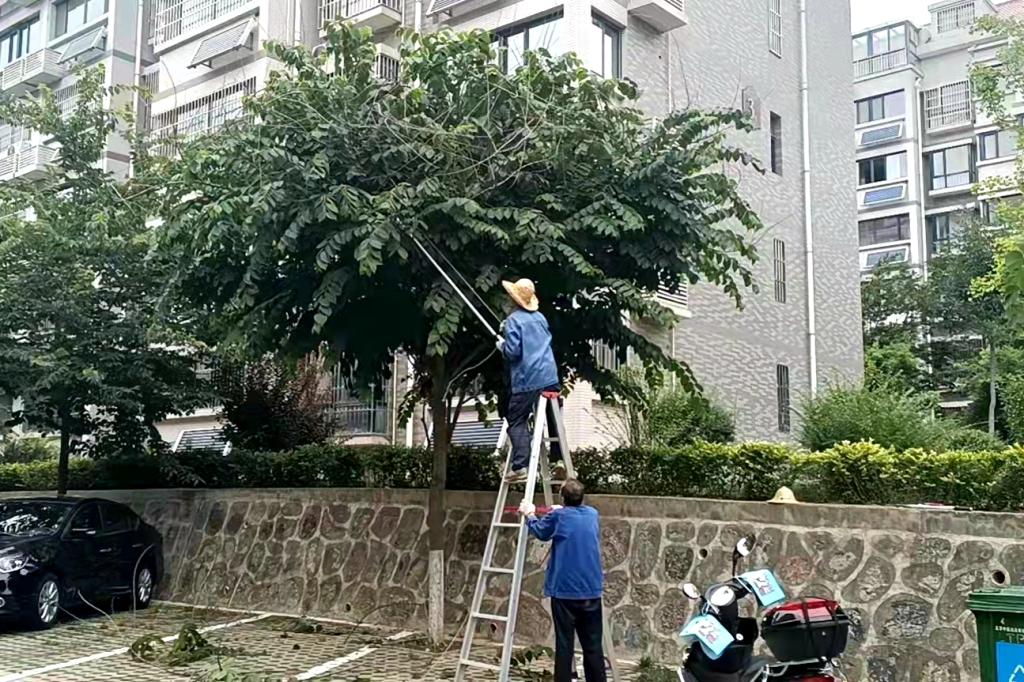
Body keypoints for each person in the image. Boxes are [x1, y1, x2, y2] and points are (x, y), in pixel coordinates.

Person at [519, 479, 606, 682]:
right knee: (593, 646)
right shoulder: (592, 514)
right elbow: (573, 518)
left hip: (565, 591)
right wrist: (561, 510)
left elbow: (541, 532)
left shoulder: (559, 517)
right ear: (582, 497)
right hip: (591, 590)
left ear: (562, 498)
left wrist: (529, 514)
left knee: (565, 645)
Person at [496, 277, 563, 482]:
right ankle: (559, 459)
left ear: (514, 299)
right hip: (550, 376)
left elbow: (513, 353)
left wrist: (502, 345)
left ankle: (520, 466)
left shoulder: (513, 320)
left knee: (516, 420)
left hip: (528, 379)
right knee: (553, 418)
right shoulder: (540, 318)